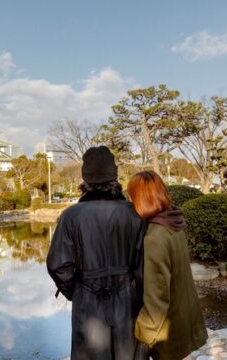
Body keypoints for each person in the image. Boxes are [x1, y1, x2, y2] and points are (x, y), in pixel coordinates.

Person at [47, 146, 147, 360]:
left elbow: (58, 265)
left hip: (88, 299)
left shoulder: (71, 216)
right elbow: (144, 266)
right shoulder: (135, 214)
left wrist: (75, 291)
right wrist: (137, 293)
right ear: (114, 177)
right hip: (128, 300)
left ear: (86, 179)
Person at [127, 171, 207, 360]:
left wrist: (142, 332)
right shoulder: (172, 221)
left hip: (167, 327)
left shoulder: (154, 236)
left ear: (141, 199)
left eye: (132, 197)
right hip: (184, 315)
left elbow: (157, 295)